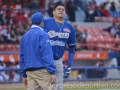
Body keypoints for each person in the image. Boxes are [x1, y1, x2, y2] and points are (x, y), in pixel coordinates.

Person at [20, 12, 56, 90]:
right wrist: (52, 72)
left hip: (29, 73)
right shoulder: (43, 34)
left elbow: (22, 57)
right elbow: (46, 54)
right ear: (41, 22)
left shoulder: (24, 36)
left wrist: (24, 75)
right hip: (42, 72)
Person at [44, 3, 76, 90]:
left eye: (63, 9)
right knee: (45, 87)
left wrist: (69, 65)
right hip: (45, 60)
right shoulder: (45, 22)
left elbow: (72, 48)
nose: (61, 10)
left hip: (58, 61)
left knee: (59, 87)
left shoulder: (69, 27)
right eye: (59, 9)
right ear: (53, 12)